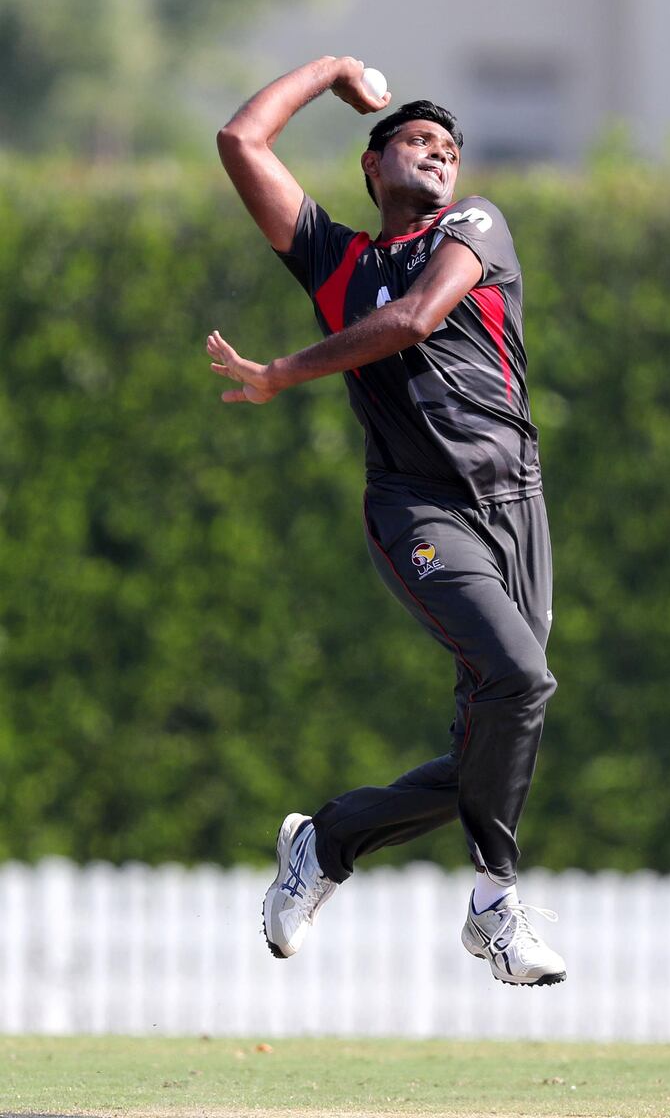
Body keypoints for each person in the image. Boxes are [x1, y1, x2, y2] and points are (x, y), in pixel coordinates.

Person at [208, 55, 566, 988]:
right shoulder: (337, 262)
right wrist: (329, 69)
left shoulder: (477, 223)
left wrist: (284, 370)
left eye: (449, 147)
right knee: (518, 676)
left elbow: (413, 318)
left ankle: (325, 843)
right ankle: (495, 906)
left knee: (500, 722)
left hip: (516, 506)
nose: (441, 156)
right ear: (372, 166)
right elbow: (241, 140)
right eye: (418, 141)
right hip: (418, 507)